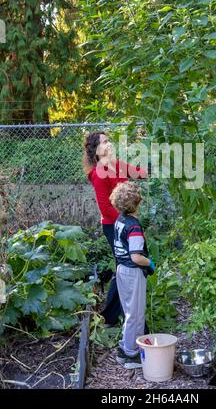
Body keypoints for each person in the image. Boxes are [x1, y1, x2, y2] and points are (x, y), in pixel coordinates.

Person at [83, 131, 148, 326]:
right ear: (96, 151)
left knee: (124, 266)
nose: (109, 144)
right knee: (127, 265)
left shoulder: (116, 165)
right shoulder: (98, 174)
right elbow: (105, 207)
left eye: (109, 140)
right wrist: (126, 222)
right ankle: (122, 317)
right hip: (114, 226)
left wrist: (152, 166)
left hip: (125, 222)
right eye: (104, 142)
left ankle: (111, 316)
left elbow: (139, 172)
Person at [110, 181, 155, 369]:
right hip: (132, 271)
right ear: (138, 203)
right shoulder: (134, 227)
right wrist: (150, 262)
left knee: (132, 312)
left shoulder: (120, 220)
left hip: (121, 269)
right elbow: (136, 257)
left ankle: (128, 347)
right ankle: (129, 355)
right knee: (134, 314)